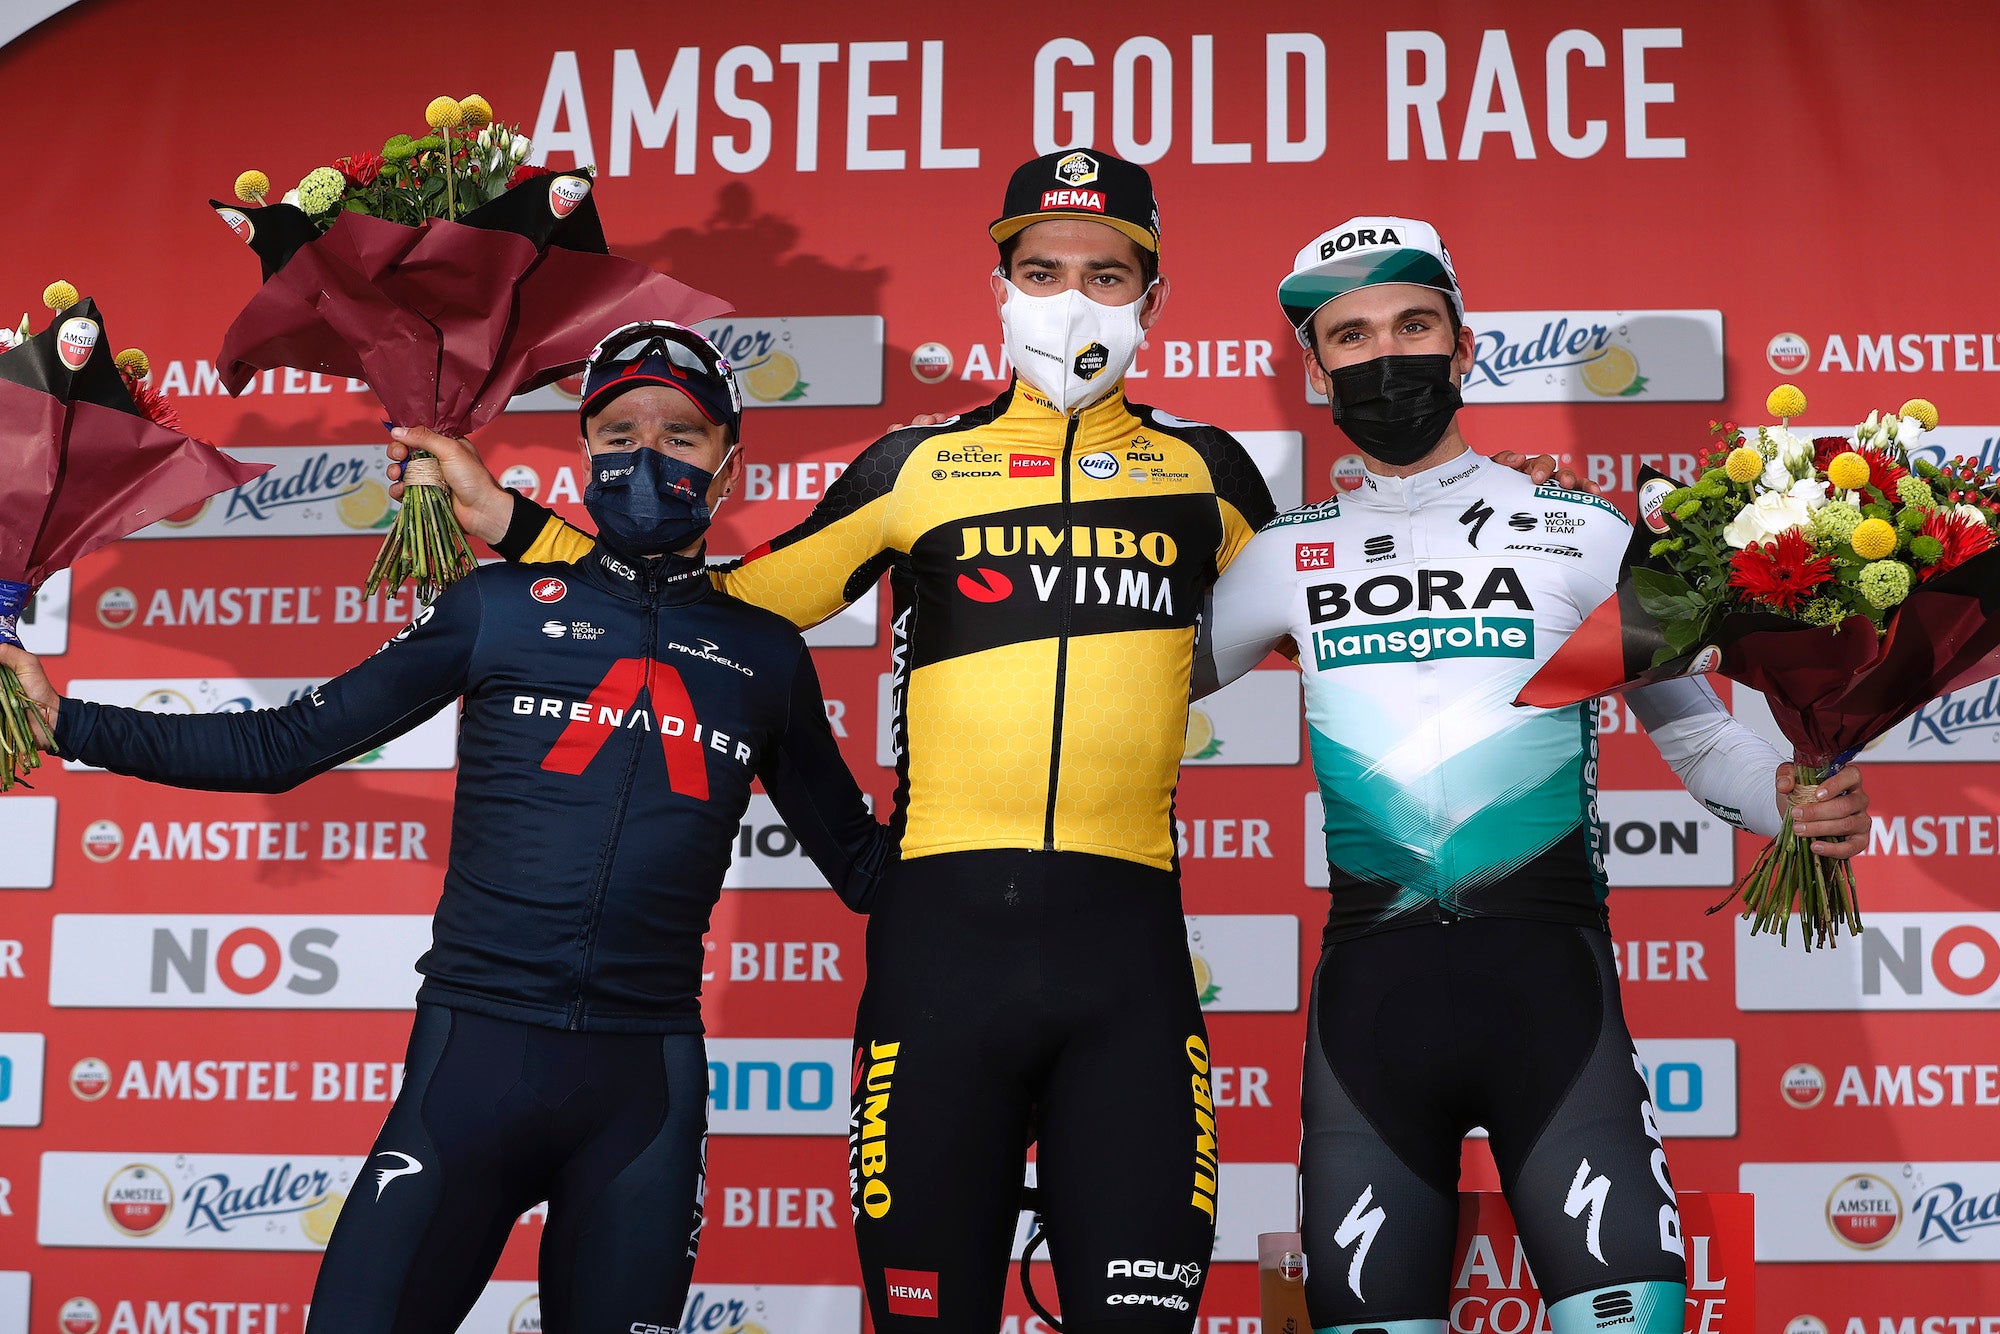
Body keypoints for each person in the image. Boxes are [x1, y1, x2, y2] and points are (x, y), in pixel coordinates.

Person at [400, 160, 1596, 1333]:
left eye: (1103, 272)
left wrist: (1483, 512)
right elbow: (717, 603)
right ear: (1000, 286)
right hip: (938, 959)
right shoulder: (912, 466)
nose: (1069, 296)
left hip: (1123, 964)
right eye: (1040, 269)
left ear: (1152, 299)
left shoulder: (1212, 475)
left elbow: (1353, 608)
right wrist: (513, 523)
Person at [0, 321, 888, 1334]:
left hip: (642, 1091)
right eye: (617, 429)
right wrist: (64, 718)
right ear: (584, 449)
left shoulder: (765, 654)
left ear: (731, 461)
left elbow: (862, 864)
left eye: (680, 434)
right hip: (471, 1066)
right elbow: (282, 745)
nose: (646, 453)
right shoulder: (495, 604)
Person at [1194, 217, 1871, 1334]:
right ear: (1313, 373)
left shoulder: (1575, 530)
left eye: (1413, 325)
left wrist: (1787, 800)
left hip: (1552, 1006)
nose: (1385, 355)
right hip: (1372, 1013)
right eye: (1349, 336)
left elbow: (1697, 738)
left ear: (1464, 351)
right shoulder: (1276, 557)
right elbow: (1122, 701)